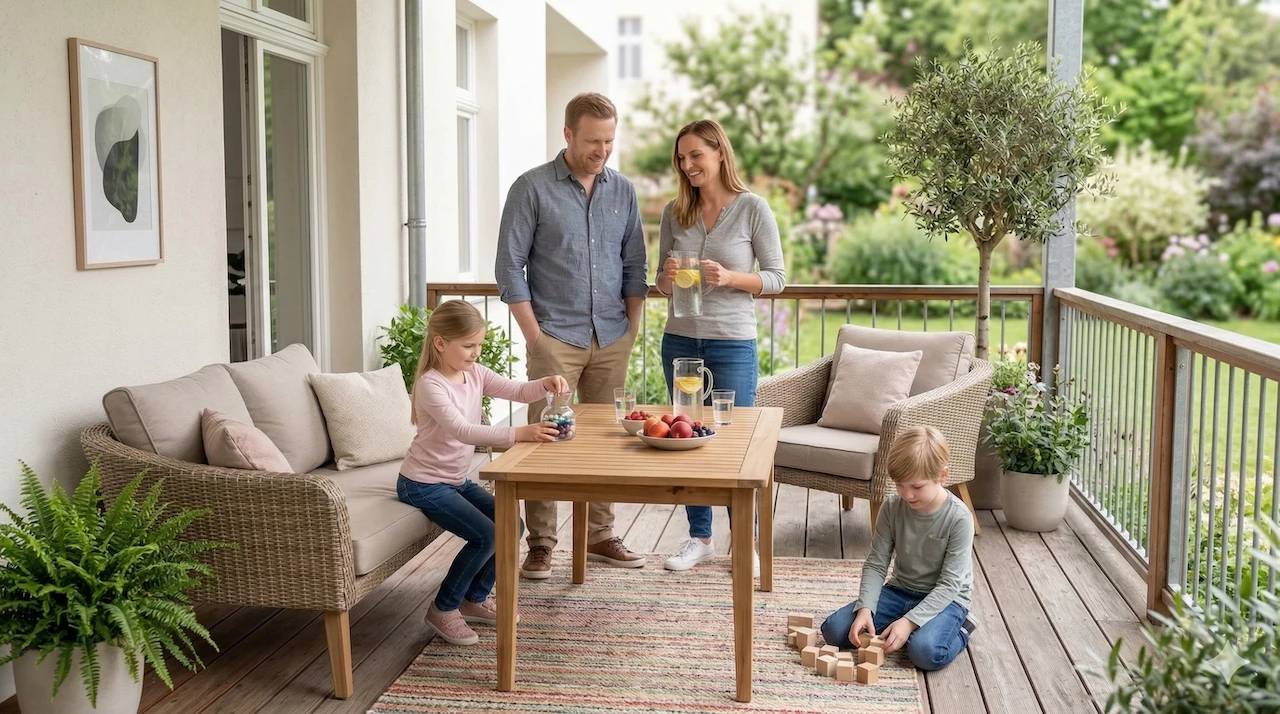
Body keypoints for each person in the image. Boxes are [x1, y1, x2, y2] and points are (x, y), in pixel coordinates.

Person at [495, 92, 649, 580]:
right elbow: (508, 267)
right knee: (545, 440)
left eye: (608, 141)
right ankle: (541, 544)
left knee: (605, 438)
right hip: (554, 336)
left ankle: (600, 534)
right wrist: (534, 336)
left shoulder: (622, 190)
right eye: (591, 141)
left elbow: (635, 264)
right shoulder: (531, 188)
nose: (601, 150)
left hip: (611, 334)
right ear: (567, 135)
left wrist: (632, 328)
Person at [398, 300, 571, 645]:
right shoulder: (432, 385)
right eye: (468, 346)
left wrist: (545, 383)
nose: (475, 353)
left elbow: (518, 391)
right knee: (487, 534)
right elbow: (463, 430)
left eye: (479, 345)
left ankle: (474, 598)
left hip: (455, 481)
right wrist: (519, 434)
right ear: (440, 343)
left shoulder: (473, 373)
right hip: (423, 483)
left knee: (512, 525)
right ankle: (443, 608)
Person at [655, 119, 786, 574]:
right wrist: (665, 280)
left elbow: (777, 278)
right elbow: (660, 283)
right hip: (680, 340)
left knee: (733, 443)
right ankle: (700, 538)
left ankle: (743, 543)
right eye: (681, 157)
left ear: (719, 154)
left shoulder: (753, 208)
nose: (688, 165)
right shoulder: (675, 212)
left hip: (732, 342)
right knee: (687, 437)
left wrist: (732, 278)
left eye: (696, 155)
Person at [819, 426, 977, 671]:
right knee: (835, 630)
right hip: (900, 590)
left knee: (924, 652)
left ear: (943, 476)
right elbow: (877, 563)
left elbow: (950, 585)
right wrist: (865, 608)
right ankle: (902, 626)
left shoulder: (959, 519)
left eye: (917, 486)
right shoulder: (892, 508)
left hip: (947, 599)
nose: (906, 494)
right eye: (899, 485)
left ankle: (961, 630)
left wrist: (910, 622)